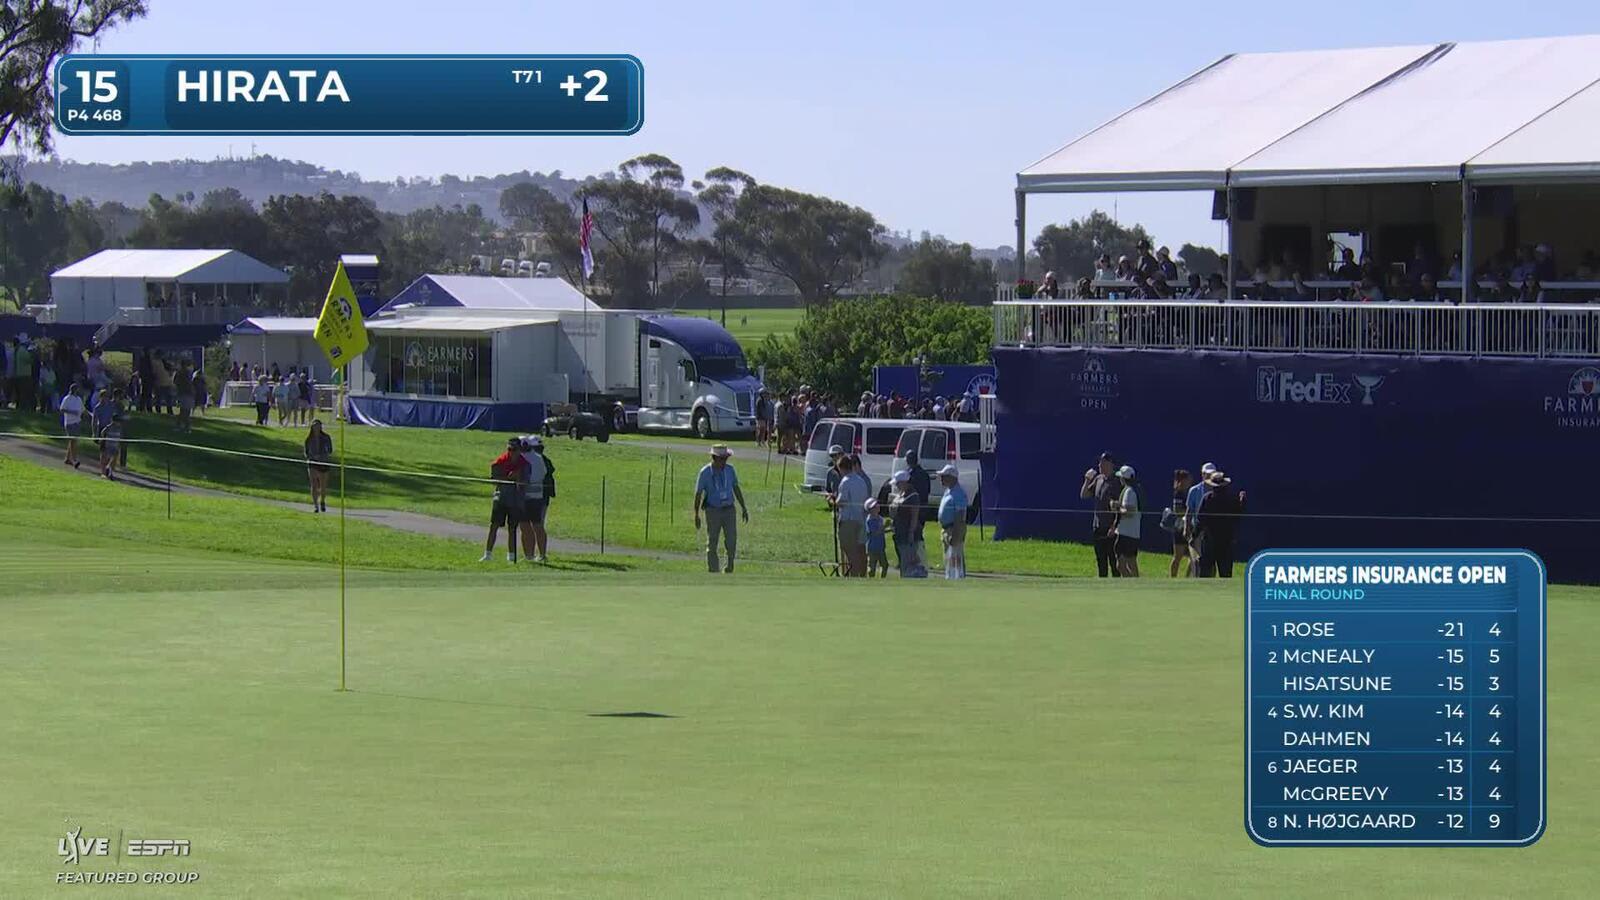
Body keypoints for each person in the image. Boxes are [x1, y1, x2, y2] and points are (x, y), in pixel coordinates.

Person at [694, 444, 748, 574]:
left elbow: (736, 488)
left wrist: (743, 507)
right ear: (714, 458)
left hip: (729, 509)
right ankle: (713, 571)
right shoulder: (705, 473)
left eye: (726, 458)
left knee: (731, 540)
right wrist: (696, 514)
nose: (724, 461)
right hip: (713, 510)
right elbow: (698, 494)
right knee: (712, 541)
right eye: (722, 459)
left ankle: (729, 568)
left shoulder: (730, 470)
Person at [481, 437, 528, 563]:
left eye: (514, 449)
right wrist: (508, 478)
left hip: (515, 501)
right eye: (509, 449)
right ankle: (487, 554)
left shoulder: (525, 465)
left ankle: (511, 557)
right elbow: (494, 479)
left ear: (520, 450)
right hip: (500, 498)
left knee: (512, 528)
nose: (511, 452)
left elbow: (525, 484)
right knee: (494, 526)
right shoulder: (500, 462)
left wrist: (519, 479)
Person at [1080, 452, 1123, 577]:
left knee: (1114, 562)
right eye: (1099, 462)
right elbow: (1084, 495)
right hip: (1098, 527)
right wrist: (1087, 480)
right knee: (1101, 561)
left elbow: (1119, 507)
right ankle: (1101, 587)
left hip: (1110, 529)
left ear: (1110, 464)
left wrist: (1114, 527)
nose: (1100, 465)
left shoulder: (1117, 482)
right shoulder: (1098, 479)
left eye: (1103, 463)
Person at [1196, 470, 1245, 578]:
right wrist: (1242, 502)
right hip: (1226, 541)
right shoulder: (1231, 499)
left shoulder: (1207, 498)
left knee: (1205, 573)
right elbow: (1237, 517)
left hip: (1209, 541)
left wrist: (1194, 535)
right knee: (1225, 574)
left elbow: (1200, 519)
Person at [831, 455, 870, 576]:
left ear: (842, 468)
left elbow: (842, 501)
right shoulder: (861, 480)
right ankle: (862, 575)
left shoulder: (845, 481)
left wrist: (833, 500)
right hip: (861, 518)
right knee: (861, 549)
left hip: (848, 520)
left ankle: (853, 575)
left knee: (849, 550)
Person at [517, 435, 550, 564]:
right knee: (536, 526)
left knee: (527, 527)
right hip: (537, 497)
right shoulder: (539, 458)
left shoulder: (522, 460)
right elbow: (543, 473)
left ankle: (530, 555)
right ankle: (540, 554)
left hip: (527, 497)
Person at [888, 469, 925, 578]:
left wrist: (911, 533)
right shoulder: (900, 494)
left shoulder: (913, 496)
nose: (896, 486)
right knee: (903, 562)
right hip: (899, 534)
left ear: (904, 482)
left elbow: (914, 516)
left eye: (898, 483)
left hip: (908, 535)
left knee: (909, 562)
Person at [936, 464, 969, 579]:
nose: (941, 479)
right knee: (948, 559)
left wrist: (955, 535)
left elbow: (960, 517)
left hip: (953, 529)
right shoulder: (948, 491)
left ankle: (957, 581)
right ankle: (949, 578)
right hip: (946, 529)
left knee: (956, 560)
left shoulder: (958, 494)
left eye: (944, 476)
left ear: (952, 477)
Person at [1184, 462, 1217, 575]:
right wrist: (1186, 528)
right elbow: (1189, 512)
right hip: (1197, 529)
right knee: (1196, 559)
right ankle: (1196, 580)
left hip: (1212, 530)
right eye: (1207, 474)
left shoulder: (1218, 491)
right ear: (1202, 475)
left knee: (1211, 560)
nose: (1209, 476)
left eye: (1211, 474)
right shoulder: (1194, 490)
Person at [1111, 464, 1141, 577]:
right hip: (1133, 533)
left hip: (1126, 533)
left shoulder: (1129, 492)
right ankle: (1137, 585)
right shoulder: (1135, 490)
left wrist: (1116, 507)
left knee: (1121, 565)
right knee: (1131, 562)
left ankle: (1133, 585)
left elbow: (1129, 512)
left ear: (1123, 479)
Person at [1166, 470, 1194, 578]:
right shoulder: (1178, 493)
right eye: (1188, 479)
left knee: (1192, 556)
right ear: (1183, 480)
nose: (1190, 481)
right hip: (1179, 528)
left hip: (1189, 527)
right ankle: (1172, 578)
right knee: (1178, 556)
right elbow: (1177, 510)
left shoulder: (1188, 492)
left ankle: (1187, 578)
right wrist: (1189, 512)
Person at [304, 419, 334, 513]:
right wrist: (312, 457)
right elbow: (306, 452)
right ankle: (315, 505)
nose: (316, 428)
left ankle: (322, 501)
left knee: (323, 485)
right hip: (312, 463)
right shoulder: (308, 439)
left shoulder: (326, 437)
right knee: (314, 484)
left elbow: (330, 450)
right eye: (314, 426)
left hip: (323, 462)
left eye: (318, 426)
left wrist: (322, 456)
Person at [59, 383, 86, 468]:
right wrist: (72, 412)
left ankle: (67, 458)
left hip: (77, 422)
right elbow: (62, 409)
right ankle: (74, 460)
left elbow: (82, 409)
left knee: (73, 441)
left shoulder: (78, 399)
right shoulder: (67, 398)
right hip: (69, 422)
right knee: (72, 440)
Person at [864, 498, 888, 578]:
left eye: (877, 505)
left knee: (884, 565)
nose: (877, 507)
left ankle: (882, 580)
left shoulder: (880, 518)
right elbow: (875, 532)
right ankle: (871, 582)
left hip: (881, 546)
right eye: (874, 506)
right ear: (870, 509)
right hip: (872, 547)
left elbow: (881, 531)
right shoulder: (869, 520)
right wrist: (884, 526)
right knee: (872, 567)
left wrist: (890, 529)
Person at [98, 414, 123, 480]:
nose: (119, 423)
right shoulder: (108, 427)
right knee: (105, 459)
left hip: (115, 447)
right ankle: (103, 473)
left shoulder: (119, 429)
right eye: (117, 421)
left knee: (114, 460)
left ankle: (110, 471)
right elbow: (102, 433)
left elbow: (120, 438)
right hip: (107, 446)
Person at [174, 360, 195, 432]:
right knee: (186, 411)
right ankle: (186, 427)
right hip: (187, 393)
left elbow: (175, 382)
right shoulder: (187, 373)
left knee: (183, 411)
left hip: (183, 393)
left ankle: (182, 426)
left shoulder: (180, 373)